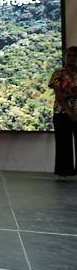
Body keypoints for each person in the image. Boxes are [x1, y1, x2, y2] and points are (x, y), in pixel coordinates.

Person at [48, 45, 77, 179]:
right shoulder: (58, 73)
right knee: (63, 143)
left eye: (74, 55)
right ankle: (63, 172)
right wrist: (70, 111)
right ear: (65, 58)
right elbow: (59, 95)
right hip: (61, 112)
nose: (71, 58)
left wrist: (68, 94)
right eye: (69, 55)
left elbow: (65, 93)